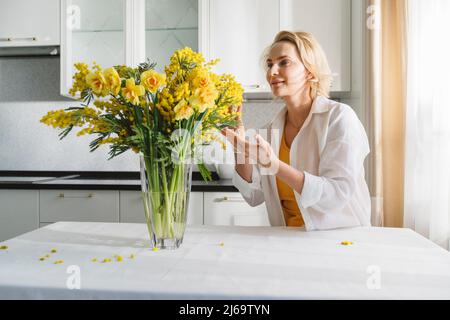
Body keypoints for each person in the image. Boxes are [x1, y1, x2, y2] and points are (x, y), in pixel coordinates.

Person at [221, 31, 371, 231]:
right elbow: (254, 195)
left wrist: (274, 165)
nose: (272, 71)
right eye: (269, 64)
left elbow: (336, 194)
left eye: (284, 62)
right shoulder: (271, 129)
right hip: (288, 241)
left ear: (309, 71)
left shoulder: (339, 118)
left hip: (340, 242)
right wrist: (238, 144)